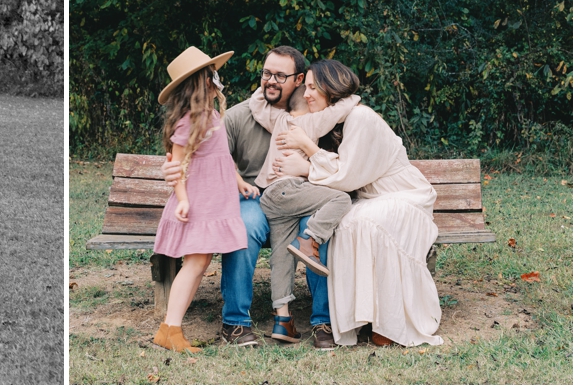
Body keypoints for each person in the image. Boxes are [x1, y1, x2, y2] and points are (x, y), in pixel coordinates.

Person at [162, 45, 338, 350]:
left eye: (280, 76)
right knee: (242, 224)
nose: (270, 80)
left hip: (301, 195)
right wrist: (172, 171)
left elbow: (338, 164)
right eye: (266, 73)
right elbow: (205, 154)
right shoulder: (239, 114)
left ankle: (323, 319)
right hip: (253, 197)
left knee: (316, 223)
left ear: (299, 80)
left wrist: (307, 166)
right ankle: (235, 323)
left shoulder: (317, 115)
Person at [269, 59, 443, 348]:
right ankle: (363, 316)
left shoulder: (361, 117)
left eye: (313, 87)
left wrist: (306, 159)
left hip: (404, 196)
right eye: (306, 87)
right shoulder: (332, 123)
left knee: (364, 221)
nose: (307, 94)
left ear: (331, 88)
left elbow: (347, 176)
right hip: (370, 199)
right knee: (346, 223)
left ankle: (390, 321)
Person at [151, 47, 253, 353]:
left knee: (201, 261)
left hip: (215, 203)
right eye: (214, 75)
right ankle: (170, 328)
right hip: (198, 203)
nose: (218, 80)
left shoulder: (213, 116)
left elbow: (223, 158)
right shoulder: (190, 120)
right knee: (195, 263)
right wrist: (181, 199)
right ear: (203, 82)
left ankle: (170, 328)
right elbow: (178, 164)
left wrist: (239, 183)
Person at [246, 72, 360, 343]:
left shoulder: (278, 119)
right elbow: (340, 109)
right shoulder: (309, 123)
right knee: (340, 199)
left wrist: (264, 86)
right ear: (307, 105)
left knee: (281, 258)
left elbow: (257, 105)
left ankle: (282, 320)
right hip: (290, 190)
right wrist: (354, 96)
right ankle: (309, 240)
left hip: (271, 198)